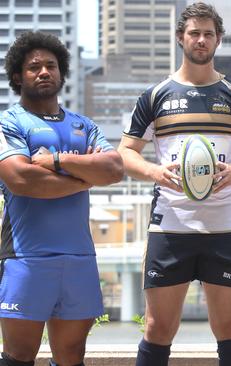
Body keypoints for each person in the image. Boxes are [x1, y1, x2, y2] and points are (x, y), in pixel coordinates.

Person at [117, 2, 231, 366]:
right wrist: (154, 172)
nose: (201, 40)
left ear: (218, 39)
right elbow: (126, 152)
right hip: (170, 227)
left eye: (209, 33)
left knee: (230, 329)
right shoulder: (155, 96)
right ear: (181, 37)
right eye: (194, 33)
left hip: (225, 228)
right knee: (158, 329)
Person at [0, 31, 124, 366]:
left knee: (71, 356)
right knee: (18, 356)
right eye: (34, 67)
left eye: (51, 65)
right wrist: (86, 178)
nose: (44, 72)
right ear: (17, 76)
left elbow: (114, 169)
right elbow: (21, 178)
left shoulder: (83, 124)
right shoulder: (9, 121)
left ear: (61, 72)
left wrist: (58, 162)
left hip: (79, 258)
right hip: (26, 258)